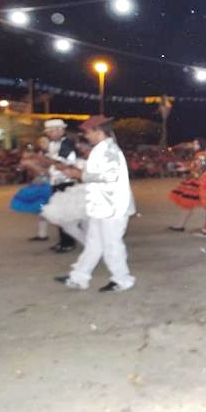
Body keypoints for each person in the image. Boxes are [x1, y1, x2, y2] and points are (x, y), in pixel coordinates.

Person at [55, 115, 136, 292]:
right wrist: (76, 170)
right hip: (102, 204)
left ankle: (122, 280)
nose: (86, 136)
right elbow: (97, 171)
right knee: (94, 243)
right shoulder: (102, 149)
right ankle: (79, 277)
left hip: (113, 206)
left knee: (111, 244)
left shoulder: (109, 150)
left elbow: (109, 176)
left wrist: (79, 175)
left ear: (99, 132)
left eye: (88, 133)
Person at [43, 119, 78, 253]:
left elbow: (60, 163)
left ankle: (68, 242)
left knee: (65, 215)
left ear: (61, 130)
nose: (50, 133)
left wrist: (45, 157)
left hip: (67, 182)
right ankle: (64, 241)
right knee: (60, 215)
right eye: (49, 131)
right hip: (57, 182)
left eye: (52, 131)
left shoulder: (67, 143)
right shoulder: (53, 144)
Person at [168, 138, 206, 232]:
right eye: (194, 143)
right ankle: (180, 225)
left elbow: (201, 167)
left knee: (202, 204)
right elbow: (195, 165)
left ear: (200, 145)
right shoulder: (199, 154)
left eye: (196, 144)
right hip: (197, 181)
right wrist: (186, 166)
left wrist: (186, 169)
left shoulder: (201, 155)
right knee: (188, 204)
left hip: (198, 182)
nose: (194, 145)